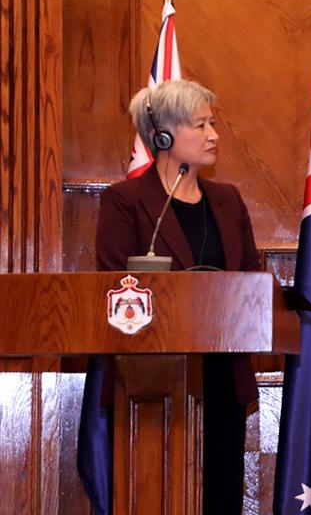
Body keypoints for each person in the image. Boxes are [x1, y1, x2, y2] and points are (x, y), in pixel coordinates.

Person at [91, 79, 260, 514]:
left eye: (213, 123)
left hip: (223, 380)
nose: (213, 134)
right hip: (149, 386)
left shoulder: (228, 201)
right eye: (200, 125)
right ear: (163, 137)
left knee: (220, 500)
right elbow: (115, 286)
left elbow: (251, 281)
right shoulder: (125, 201)